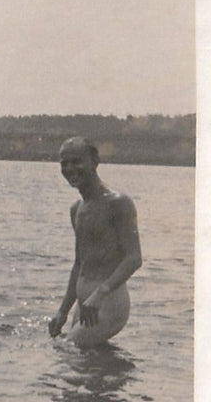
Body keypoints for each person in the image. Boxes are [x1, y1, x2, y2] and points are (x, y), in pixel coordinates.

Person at [48, 136, 142, 348]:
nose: (70, 168)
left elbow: (134, 258)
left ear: (94, 161)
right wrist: (63, 311)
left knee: (67, 352)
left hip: (108, 303)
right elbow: (79, 264)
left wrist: (100, 294)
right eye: (64, 163)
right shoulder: (76, 209)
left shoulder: (118, 203)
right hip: (85, 304)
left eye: (77, 161)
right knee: (89, 365)